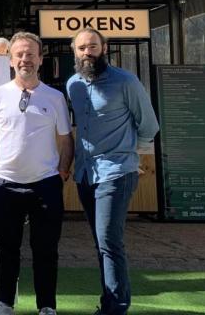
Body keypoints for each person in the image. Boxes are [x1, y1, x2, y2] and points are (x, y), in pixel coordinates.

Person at [67, 28, 159, 315]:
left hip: (116, 172)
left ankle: (117, 307)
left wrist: (129, 155)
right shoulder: (73, 85)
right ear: (75, 51)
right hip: (85, 174)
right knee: (101, 242)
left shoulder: (126, 82)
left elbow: (149, 126)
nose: (87, 52)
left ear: (104, 48)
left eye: (92, 46)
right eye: (81, 48)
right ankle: (108, 301)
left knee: (109, 240)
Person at [0, 32, 73, 315]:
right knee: (6, 249)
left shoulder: (55, 97)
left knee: (46, 250)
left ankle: (46, 306)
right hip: (5, 185)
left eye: (31, 54)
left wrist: (61, 173)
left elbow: (66, 140)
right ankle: (4, 303)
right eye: (19, 54)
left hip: (45, 185)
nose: (25, 59)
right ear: (10, 60)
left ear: (40, 59)